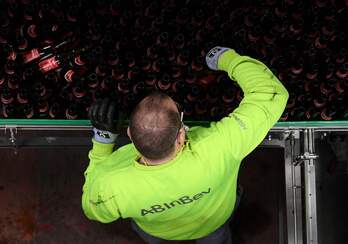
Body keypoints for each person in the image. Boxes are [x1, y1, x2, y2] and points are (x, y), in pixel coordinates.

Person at [82, 46, 289, 243]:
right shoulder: (217, 147)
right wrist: (225, 57)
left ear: (129, 133)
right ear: (181, 135)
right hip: (212, 222)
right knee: (217, 238)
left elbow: (92, 209)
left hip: (155, 230)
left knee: (149, 236)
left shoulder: (113, 186)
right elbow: (271, 94)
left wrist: (103, 140)